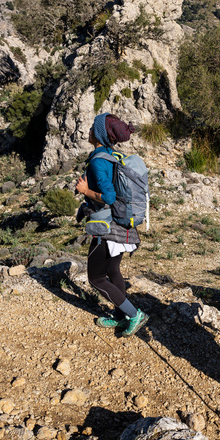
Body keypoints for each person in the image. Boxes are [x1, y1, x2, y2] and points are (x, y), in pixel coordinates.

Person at [75, 112, 149, 338]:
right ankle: (120, 315)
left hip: (105, 227)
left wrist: (85, 191)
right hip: (121, 225)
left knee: (96, 279)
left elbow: (108, 196)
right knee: (113, 270)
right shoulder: (112, 155)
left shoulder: (98, 161)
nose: (88, 131)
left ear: (98, 134)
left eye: (91, 128)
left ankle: (134, 314)